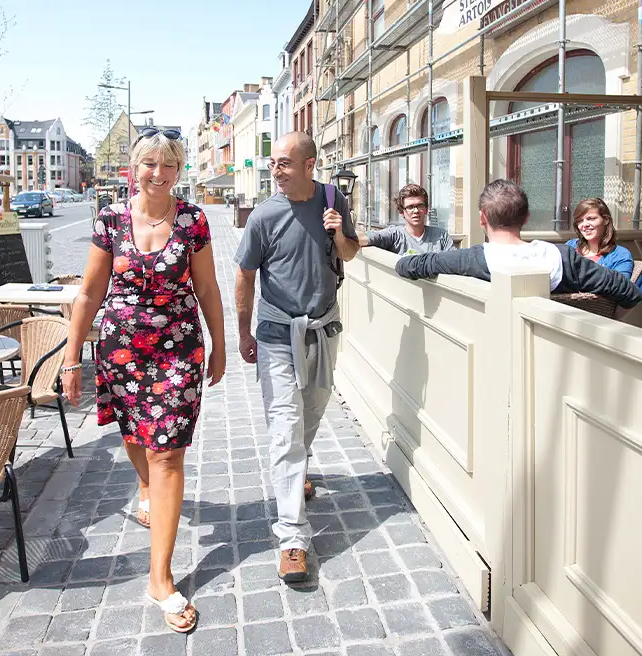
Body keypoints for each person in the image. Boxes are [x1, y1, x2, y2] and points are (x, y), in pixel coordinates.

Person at [62, 129, 225, 634]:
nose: (158, 172)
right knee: (136, 436)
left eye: (168, 164)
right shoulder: (110, 219)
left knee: (168, 452)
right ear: (135, 168)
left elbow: (208, 288)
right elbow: (88, 295)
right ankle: (145, 486)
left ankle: (160, 577)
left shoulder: (193, 221)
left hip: (178, 349)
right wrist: (71, 360)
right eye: (149, 163)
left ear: (180, 170)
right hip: (122, 351)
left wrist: (220, 345)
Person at [235, 131, 360, 584]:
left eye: (285, 162)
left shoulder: (332, 199)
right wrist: (242, 333)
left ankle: (297, 472)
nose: (276, 169)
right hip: (275, 333)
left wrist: (339, 231)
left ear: (310, 166)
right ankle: (292, 537)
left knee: (311, 413)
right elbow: (244, 277)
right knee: (286, 427)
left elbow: (350, 252)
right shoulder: (263, 216)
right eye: (274, 163)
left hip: (323, 327)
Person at [395, 180, 642, 309]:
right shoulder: (563, 256)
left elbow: (412, 265)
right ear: (526, 218)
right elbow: (629, 292)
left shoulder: (471, 260)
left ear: (482, 218)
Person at [359, 183, 455, 255]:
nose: (416, 210)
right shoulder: (395, 235)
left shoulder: (441, 236)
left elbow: (454, 261)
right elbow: (363, 238)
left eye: (420, 205)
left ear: (426, 210)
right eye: (410, 207)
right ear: (401, 212)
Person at [565, 198, 634, 279]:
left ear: (606, 220)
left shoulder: (620, 254)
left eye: (591, 219)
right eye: (579, 221)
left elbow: (621, 286)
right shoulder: (570, 246)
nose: (585, 225)